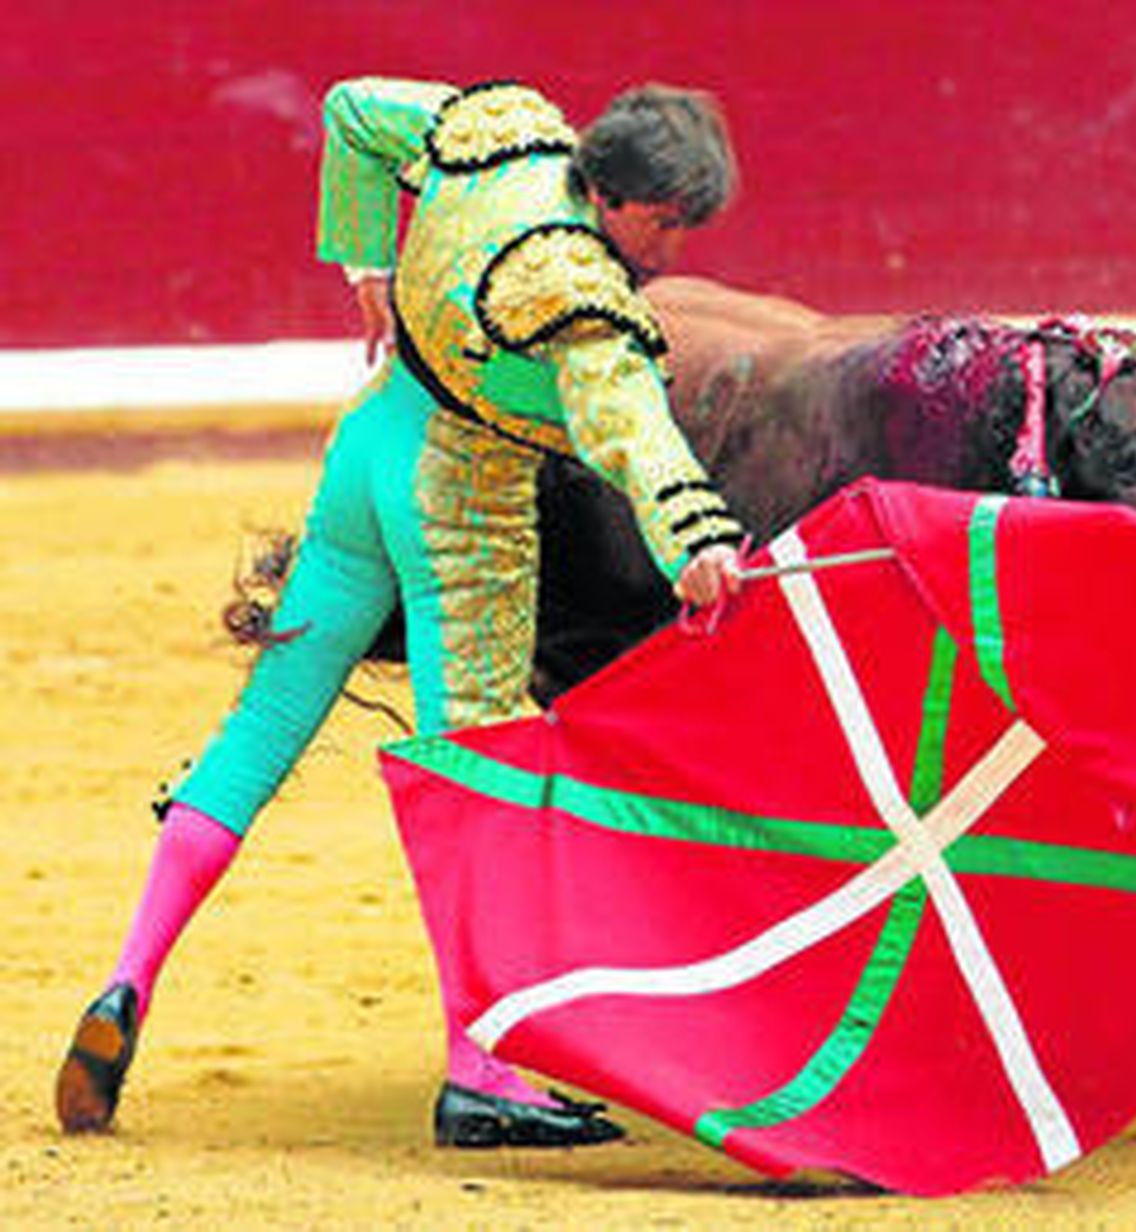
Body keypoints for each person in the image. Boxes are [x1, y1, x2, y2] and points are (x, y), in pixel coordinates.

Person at [56, 76, 746, 1149]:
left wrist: (368, 258)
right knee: (477, 779)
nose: (670, 249)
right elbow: (628, 419)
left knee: (259, 732)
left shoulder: (502, 141)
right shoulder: (573, 280)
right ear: (614, 194)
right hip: (457, 506)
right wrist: (694, 539)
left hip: (367, 452)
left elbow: (351, 110)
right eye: (665, 222)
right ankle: (481, 1074)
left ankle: (124, 978)